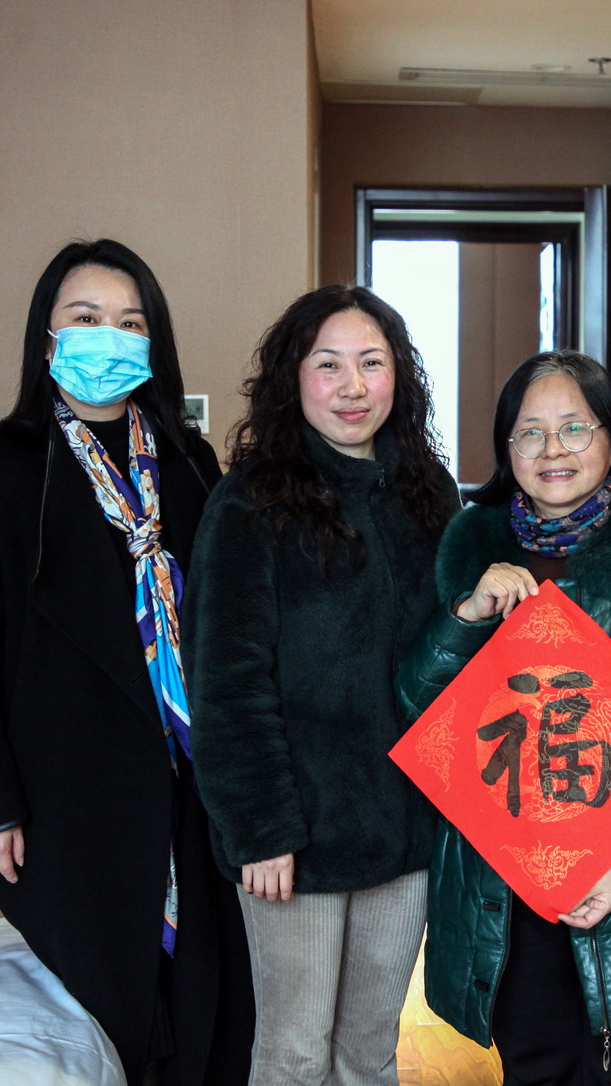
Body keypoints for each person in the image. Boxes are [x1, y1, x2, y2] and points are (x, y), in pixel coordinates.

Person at [0, 239, 253, 1085]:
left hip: (195, 786)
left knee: (211, 1005)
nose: (110, 336)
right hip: (69, 797)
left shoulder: (190, 467)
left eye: (130, 322)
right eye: (86, 317)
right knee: (111, 1013)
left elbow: (231, 618)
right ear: (47, 340)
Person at [396, 350, 611, 1086]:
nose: (552, 450)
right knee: (534, 1064)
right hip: (506, 879)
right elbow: (420, 707)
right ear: (506, 449)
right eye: (530, 432)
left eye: (575, 427)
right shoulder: (471, 545)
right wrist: (466, 615)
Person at [182, 286, 459, 1086]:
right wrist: (259, 828)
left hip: (404, 825)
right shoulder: (250, 501)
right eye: (328, 364)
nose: (352, 386)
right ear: (292, 377)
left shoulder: (428, 493)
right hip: (294, 833)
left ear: (398, 375)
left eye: (371, 363)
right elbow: (224, 680)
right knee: (295, 1052)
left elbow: (453, 658)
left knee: (369, 1052)